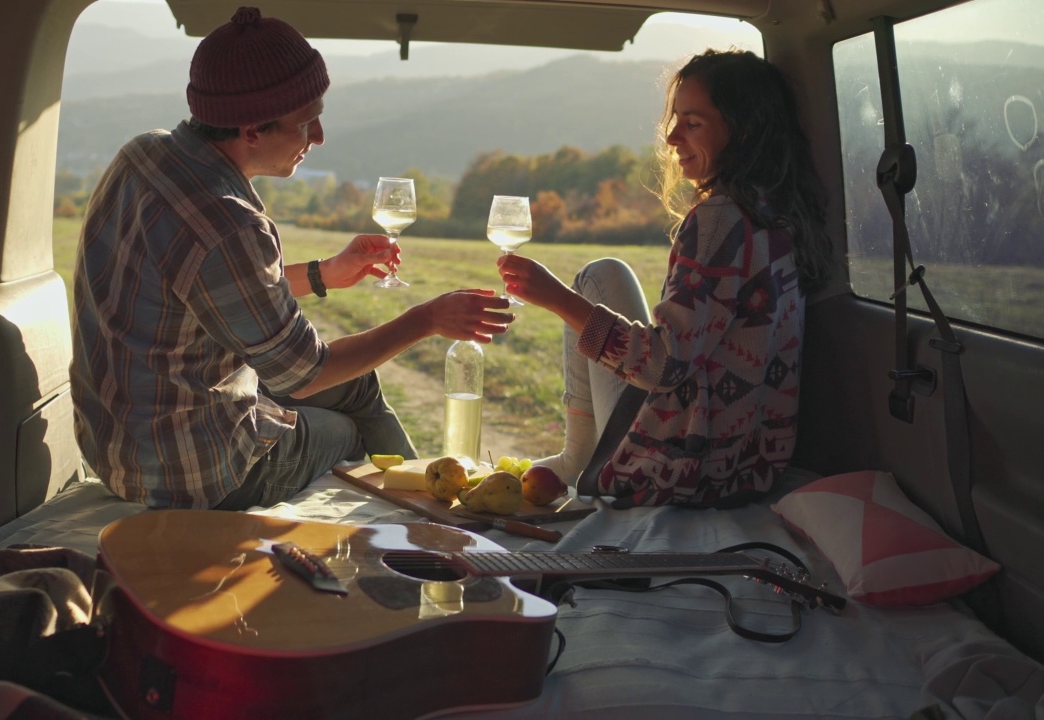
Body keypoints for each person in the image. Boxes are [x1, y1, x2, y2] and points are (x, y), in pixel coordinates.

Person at [71, 7, 513, 511]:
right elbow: (305, 374)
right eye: (307, 122)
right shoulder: (228, 222)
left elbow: (210, 291)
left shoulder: (142, 155)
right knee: (347, 425)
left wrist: (325, 274)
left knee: (358, 382)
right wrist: (427, 319)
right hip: (192, 474)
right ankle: (436, 524)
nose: (319, 136)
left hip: (118, 442)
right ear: (253, 129)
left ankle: (435, 500)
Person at [498, 49, 834, 508]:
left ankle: (579, 461)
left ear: (746, 130)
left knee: (595, 280)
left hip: (684, 466)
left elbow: (662, 365)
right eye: (675, 120)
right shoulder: (777, 211)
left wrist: (556, 298)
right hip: (747, 466)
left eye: (693, 123)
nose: (673, 136)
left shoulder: (720, 219)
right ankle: (577, 459)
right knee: (607, 276)